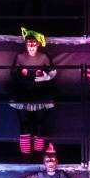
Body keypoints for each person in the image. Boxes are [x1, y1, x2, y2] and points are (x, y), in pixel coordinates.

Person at [10, 28, 57, 162]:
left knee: (40, 124)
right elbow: (12, 74)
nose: (31, 46)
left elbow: (53, 72)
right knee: (24, 124)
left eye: (33, 43)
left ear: (38, 44)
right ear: (25, 44)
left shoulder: (44, 57)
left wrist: (46, 78)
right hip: (23, 94)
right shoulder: (19, 57)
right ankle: (25, 155)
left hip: (40, 93)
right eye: (28, 43)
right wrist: (21, 78)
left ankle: (38, 154)